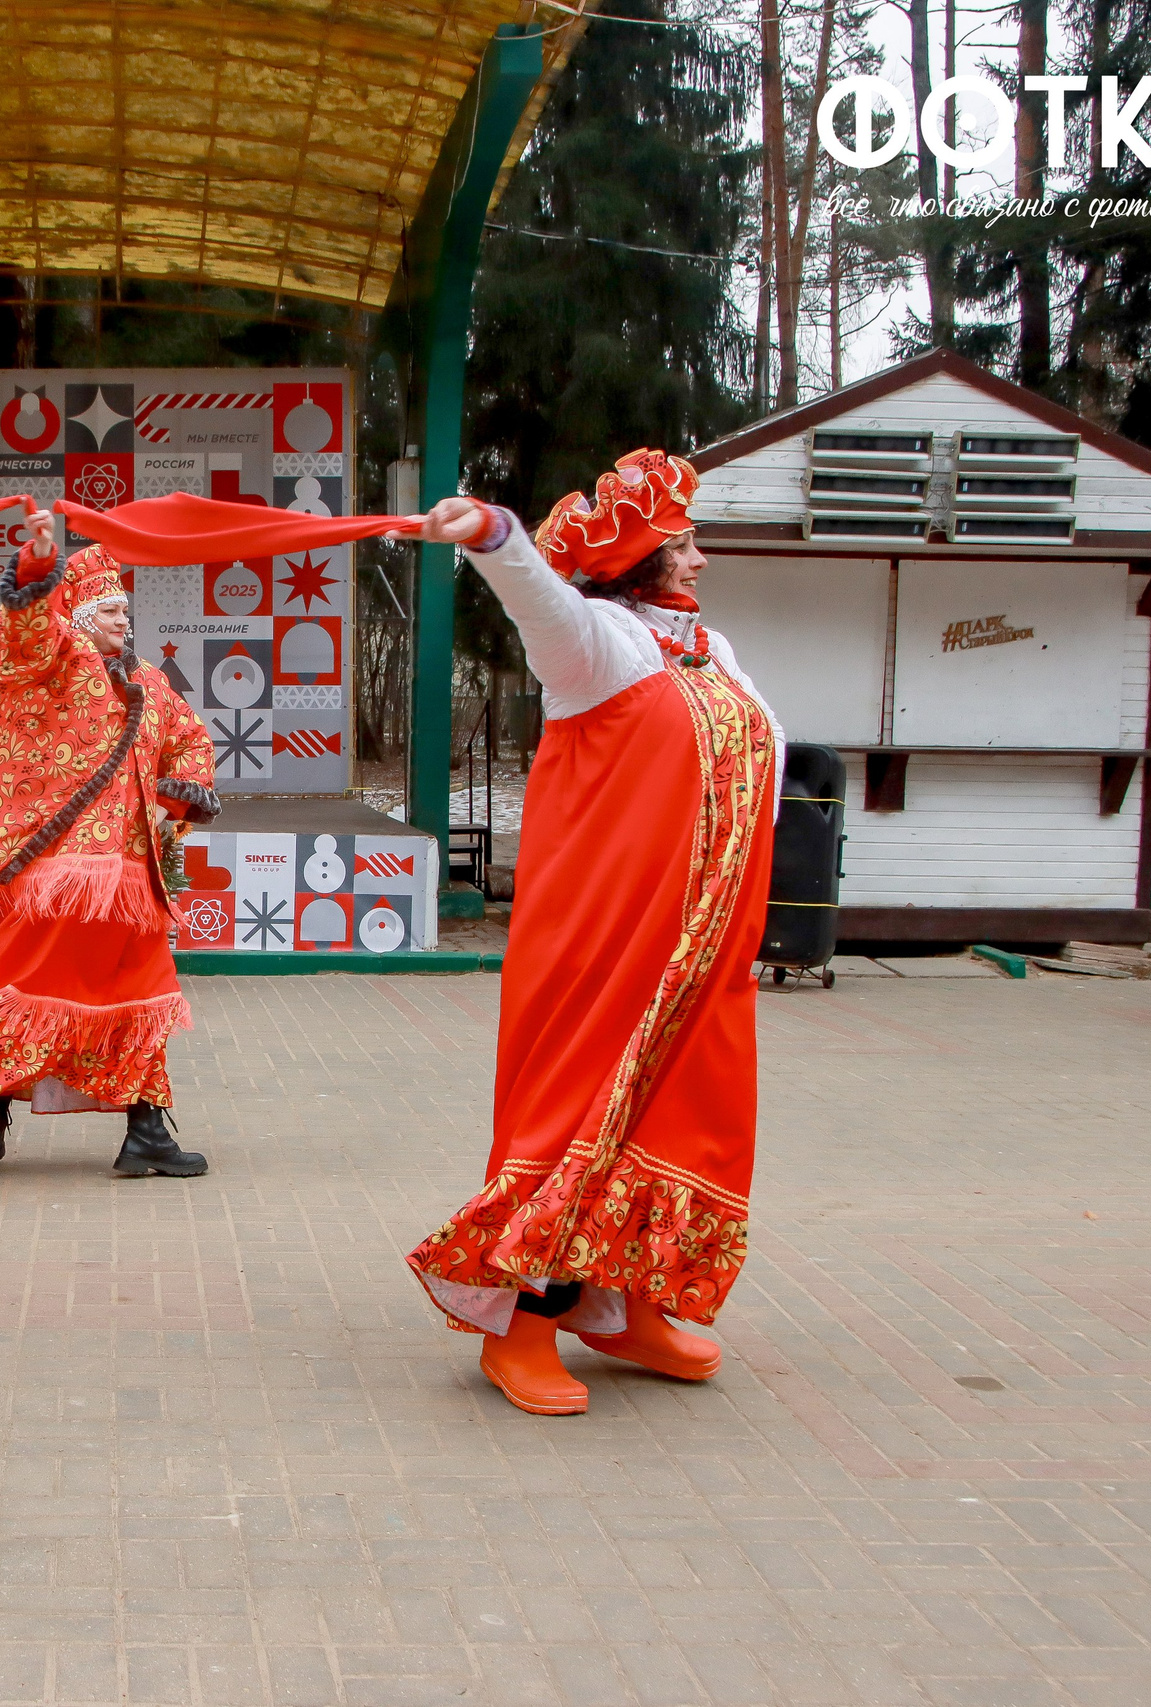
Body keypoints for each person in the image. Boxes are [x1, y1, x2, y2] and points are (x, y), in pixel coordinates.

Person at [403, 450, 783, 1415]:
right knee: (579, 1118)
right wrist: (494, 536)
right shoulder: (601, 646)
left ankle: (631, 1308)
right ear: (644, 558)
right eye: (685, 545)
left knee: (686, 1122)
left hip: (701, 951)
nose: (700, 561)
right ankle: (525, 1326)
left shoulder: (712, 649)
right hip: (611, 947)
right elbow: (540, 599)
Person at [0, 508, 220, 1179]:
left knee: (145, 997)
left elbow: (190, 739)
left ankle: (146, 1131)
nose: (122, 620)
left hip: (134, 884)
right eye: (107, 610)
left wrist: (182, 801)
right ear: (77, 618)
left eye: (125, 610)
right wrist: (39, 567)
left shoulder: (151, 683)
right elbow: (23, 634)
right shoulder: (60, 666)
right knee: (23, 986)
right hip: (67, 876)